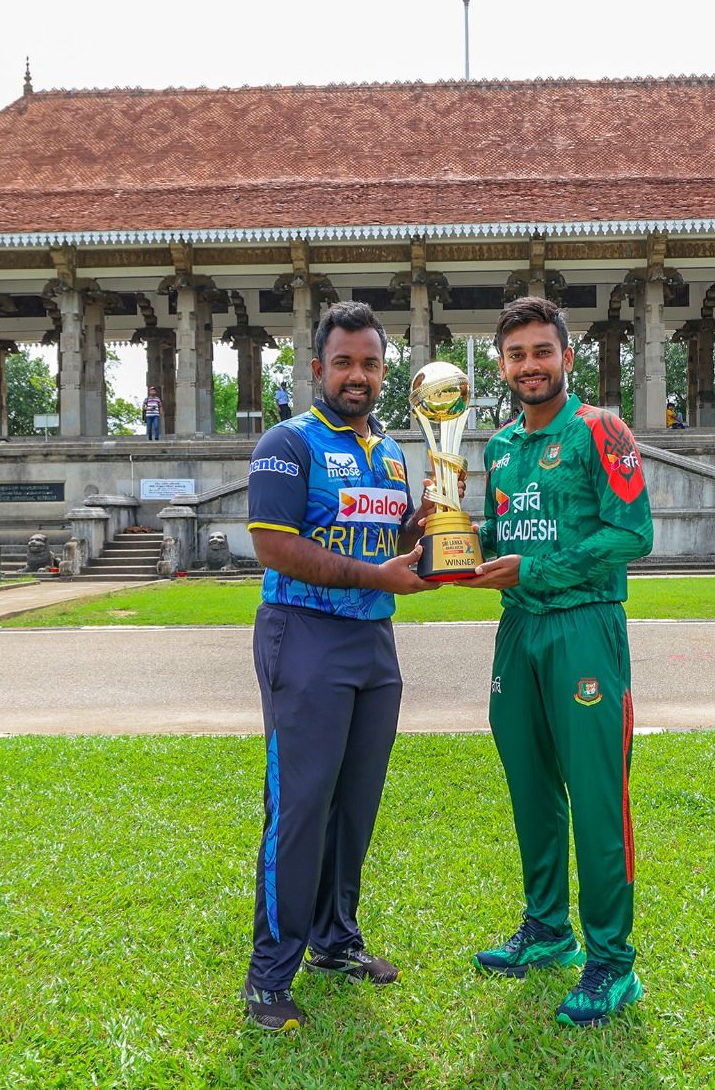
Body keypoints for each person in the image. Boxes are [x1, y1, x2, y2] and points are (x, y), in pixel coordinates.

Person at [243, 301, 437, 1033]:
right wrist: (372, 576)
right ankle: (269, 977)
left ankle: (335, 942)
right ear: (318, 368)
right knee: (299, 806)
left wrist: (429, 522)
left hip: (372, 643)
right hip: (306, 632)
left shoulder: (390, 451)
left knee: (354, 806)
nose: (358, 376)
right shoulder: (287, 443)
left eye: (371, 364)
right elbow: (276, 546)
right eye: (345, 363)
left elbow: (388, 534)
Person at [464, 296, 654, 1028]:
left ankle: (611, 961)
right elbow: (497, 530)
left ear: (567, 358)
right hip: (518, 631)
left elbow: (631, 533)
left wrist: (534, 570)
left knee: (598, 795)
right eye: (516, 355)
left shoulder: (601, 429)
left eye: (542, 351)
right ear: (503, 366)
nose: (529, 366)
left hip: (583, 626)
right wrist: (450, 533)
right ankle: (547, 929)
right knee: (531, 786)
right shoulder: (501, 447)